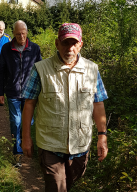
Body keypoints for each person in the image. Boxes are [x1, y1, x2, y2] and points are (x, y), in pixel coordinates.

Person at [22, 23, 108, 191]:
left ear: (81, 44)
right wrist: (26, 137)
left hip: (81, 146)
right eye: (65, 43)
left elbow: (97, 104)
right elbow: (29, 104)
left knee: (68, 184)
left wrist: (102, 136)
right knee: (57, 187)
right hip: (50, 145)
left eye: (74, 43)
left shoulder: (92, 69)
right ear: (57, 43)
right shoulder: (40, 69)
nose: (70, 48)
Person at [0, 20, 42, 167]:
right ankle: (17, 153)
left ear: (27, 32)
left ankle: (25, 142)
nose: (21, 37)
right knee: (16, 122)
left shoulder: (34, 49)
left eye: (23, 33)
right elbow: (1, 71)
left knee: (29, 122)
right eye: (17, 34)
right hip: (13, 92)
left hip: (30, 94)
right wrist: (0, 92)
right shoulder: (6, 48)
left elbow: (41, 71)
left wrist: (42, 92)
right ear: (13, 33)